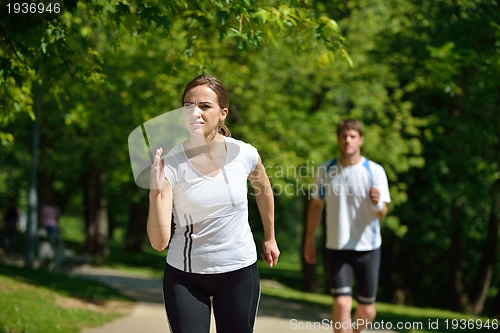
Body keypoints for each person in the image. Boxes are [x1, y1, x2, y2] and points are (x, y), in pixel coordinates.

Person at [147, 75, 280, 333]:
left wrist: (270, 237)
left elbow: (263, 188)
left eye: (205, 106)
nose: (195, 112)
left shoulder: (245, 154)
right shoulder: (170, 163)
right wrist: (155, 192)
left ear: (223, 114)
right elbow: (159, 242)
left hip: (238, 270)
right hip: (185, 275)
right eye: (188, 105)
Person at [303, 119, 391, 333]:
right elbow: (316, 206)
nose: (347, 140)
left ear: (360, 140)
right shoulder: (325, 169)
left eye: (352, 136)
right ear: (338, 139)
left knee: (367, 310)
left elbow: (382, 213)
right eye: (344, 136)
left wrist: (377, 202)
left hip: (368, 248)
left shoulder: (374, 171)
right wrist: (309, 242)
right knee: (342, 303)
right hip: (337, 246)